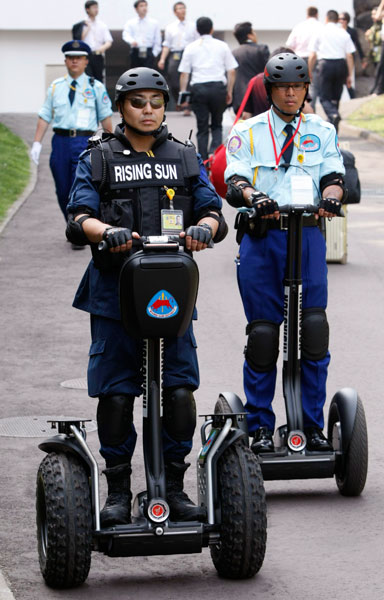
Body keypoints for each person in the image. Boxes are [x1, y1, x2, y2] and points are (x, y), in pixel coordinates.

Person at [65, 67, 228, 526]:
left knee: (178, 392)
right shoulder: (98, 158)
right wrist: (107, 230)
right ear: (121, 108)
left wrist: (203, 229)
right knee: (117, 395)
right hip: (114, 292)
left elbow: (214, 211)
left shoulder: (183, 155)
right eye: (138, 102)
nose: (149, 110)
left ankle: (173, 488)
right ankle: (117, 490)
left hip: (170, 292)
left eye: (156, 102)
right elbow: (79, 216)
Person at [224, 53, 347, 455]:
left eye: (298, 86)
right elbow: (235, 178)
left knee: (312, 332)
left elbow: (333, 176)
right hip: (264, 239)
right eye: (283, 87)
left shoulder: (322, 130)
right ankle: (260, 425)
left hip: (308, 236)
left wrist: (331, 199)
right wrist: (252, 196)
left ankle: (311, 425)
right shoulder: (248, 132)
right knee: (263, 335)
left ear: (307, 88)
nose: (291, 93)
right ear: (270, 90)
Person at [30, 40, 113, 228]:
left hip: (85, 141)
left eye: (79, 58)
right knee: (62, 189)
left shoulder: (95, 87)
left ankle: (81, 225)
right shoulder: (55, 87)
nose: (74, 61)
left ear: (86, 61)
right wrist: (37, 143)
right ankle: (70, 221)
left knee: (83, 188)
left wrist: (111, 145)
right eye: (70, 58)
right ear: (65, 61)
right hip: (61, 142)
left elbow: (106, 118)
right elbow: (44, 116)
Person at [178, 17, 238, 161]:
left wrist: (183, 93)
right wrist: (229, 91)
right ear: (212, 29)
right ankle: (215, 156)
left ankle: (203, 161)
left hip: (198, 89)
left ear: (197, 30)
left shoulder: (190, 47)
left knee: (202, 129)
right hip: (218, 88)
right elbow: (231, 71)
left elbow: (184, 74)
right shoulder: (222, 46)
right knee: (217, 125)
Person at [308, 10, 355, 132]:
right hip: (341, 65)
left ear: (327, 18)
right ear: (337, 20)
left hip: (325, 65)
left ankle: (333, 115)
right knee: (336, 97)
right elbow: (349, 55)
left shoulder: (320, 32)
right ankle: (334, 127)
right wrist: (349, 75)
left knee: (324, 97)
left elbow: (313, 55)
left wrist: (309, 70)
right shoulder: (344, 33)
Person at [157, 2, 198, 110]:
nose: (182, 10)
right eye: (179, 8)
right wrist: (162, 59)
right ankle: (178, 101)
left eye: (184, 8)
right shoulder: (170, 27)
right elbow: (166, 45)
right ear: (175, 12)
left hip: (189, 54)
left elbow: (198, 42)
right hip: (175, 54)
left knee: (188, 80)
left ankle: (187, 105)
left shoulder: (193, 26)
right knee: (173, 79)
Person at [286, 6, 323, 109]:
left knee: (298, 85)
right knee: (314, 86)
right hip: (315, 58)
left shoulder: (299, 26)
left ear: (307, 14)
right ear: (317, 14)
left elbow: (289, 44)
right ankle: (311, 109)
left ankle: (299, 108)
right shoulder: (321, 26)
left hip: (299, 59)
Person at [231, 22, 269, 114]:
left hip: (240, 99)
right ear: (250, 36)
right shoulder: (262, 49)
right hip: (259, 97)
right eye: (254, 32)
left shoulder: (234, 53)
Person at [122, 0, 161, 69]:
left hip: (148, 51)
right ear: (136, 9)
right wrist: (131, 41)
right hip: (136, 51)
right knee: (135, 73)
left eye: (145, 5)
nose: (144, 8)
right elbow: (126, 34)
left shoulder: (154, 23)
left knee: (148, 74)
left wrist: (154, 53)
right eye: (141, 6)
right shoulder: (130, 22)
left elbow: (158, 39)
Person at [81, 0, 113, 83]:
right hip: (86, 55)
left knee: (99, 79)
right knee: (87, 78)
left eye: (97, 7)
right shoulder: (82, 24)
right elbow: (78, 39)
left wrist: (102, 48)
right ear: (87, 9)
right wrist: (87, 28)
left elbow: (108, 41)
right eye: (94, 7)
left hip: (98, 56)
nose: (96, 10)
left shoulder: (102, 25)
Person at [339, 11, 367, 98]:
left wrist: (363, 58)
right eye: (339, 19)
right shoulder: (337, 32)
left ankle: (352, 96)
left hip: (349, 57)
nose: (341, 21)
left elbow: (357, 44)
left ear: (347, 20)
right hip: (340, 57)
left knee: (348, 77)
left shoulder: (352, 31)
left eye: (343, 19)